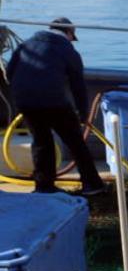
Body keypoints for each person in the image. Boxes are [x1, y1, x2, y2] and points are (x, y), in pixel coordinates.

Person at [7, 17, 105, 195]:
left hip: (25, 102)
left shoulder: (26, 45)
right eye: (72, 36)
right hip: (53, 102)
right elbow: (78, 86)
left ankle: (44, 187)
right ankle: (93, 184)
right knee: (75, 142)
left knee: (41, 142)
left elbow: (10, 72)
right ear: (69, 33)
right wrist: (83, 114)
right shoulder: (67, 50)